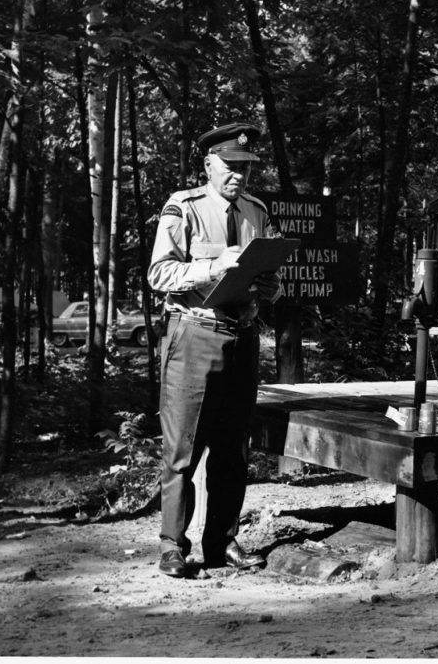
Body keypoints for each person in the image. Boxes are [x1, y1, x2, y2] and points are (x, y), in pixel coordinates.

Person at [147, 122, 282, 578]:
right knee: (183, 448)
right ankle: (172, 546)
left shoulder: (256, 211)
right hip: (193, 336)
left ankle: (222, 540)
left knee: (232, 449)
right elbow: (159, 275)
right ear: (209, 164)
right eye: (230, 166)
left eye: (245, 167)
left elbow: (273, 285)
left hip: (242, 337)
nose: (239, 175)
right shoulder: (183, 207)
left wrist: (269, 285)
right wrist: (211, 266)